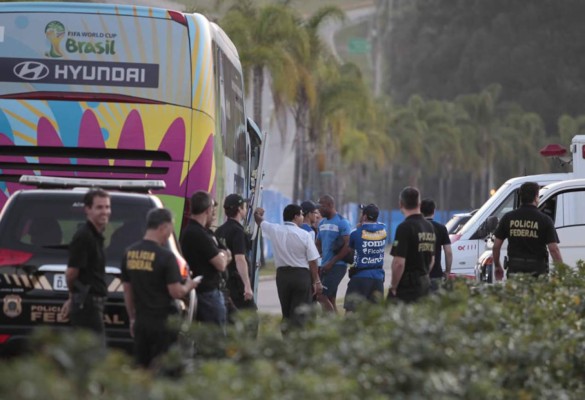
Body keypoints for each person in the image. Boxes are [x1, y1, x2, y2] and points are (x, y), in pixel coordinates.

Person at [121, 208, 199, 369]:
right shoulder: (166, 257)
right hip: (163, 323)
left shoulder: (129, 253)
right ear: (163, 227)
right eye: (170, 229)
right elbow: (176, 292)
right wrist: (190, 286)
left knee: (142, 366)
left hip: (141, 321)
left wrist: (132, 318)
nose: (169, 234)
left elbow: (127, 290)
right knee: (164, 367)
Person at [253, 204, 321, 333]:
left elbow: (259, 221)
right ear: (296, 217)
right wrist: (316, 280)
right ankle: (298, 339)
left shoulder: (275, 229)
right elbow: (313, 260)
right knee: (300, 311)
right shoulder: (304, 234)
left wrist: (258, 213)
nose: (302, 217)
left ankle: (286, 337)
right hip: (301, 275)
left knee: (286, 310)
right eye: (301, 215)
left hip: (283, 276)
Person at [62, 188, 111, 339]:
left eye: (107, 207)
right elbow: (71, 273)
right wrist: (74, 297)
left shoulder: (96, 236)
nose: (105, 211)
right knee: (95, 352)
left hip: (90, 304)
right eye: (99, 207)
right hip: (86, 305)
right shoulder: (84, 236)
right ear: (87, 209)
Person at [180, 191, 232, 328]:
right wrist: (223, 255)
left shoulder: (204, 233)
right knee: (215, 339)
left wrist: (224, 254)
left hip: (211, 293)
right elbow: (221, 264)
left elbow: (227, 253)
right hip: (207, 294)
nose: (214, 214)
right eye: (213, 210)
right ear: (208, 210)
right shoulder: (197, 234)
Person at [493, 181, 563, 279]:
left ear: (521, 197)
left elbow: (496, 246)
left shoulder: (508, 217)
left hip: (515, 271)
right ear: (536, 196)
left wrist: (497, 266)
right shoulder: (545, 220)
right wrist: (562, 272)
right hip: (537, 272)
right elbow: (553, 249)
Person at [215, 194, 258, 330]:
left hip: (224, 281)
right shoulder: (238, 232)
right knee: (251, 320)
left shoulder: (219, 231)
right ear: (240, 209)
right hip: (237, 284)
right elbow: (240, 259)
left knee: (231, 320)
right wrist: (247, 286)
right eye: (244, 206)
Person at [388, 187, 436, 303]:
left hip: (408, 288)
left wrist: (394, 286)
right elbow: (432, 260)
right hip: (425, 283)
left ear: (401, 204)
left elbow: (399, 263)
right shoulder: (429, 226)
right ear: (419, 203)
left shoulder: (404, 228)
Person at [344, 204, 387, 312]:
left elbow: (350, 249)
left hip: (360, 277)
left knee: (351, 312)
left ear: (364, 216)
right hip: (378, 278)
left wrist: (360, 227)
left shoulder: (355, 233)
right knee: (374, 316)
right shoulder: (383, 230)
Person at [316, 194, 351, 312]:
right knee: (330, 299)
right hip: (324, 265)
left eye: (322, 206)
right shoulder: (322, 223)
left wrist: (332, 262)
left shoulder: (342, 222)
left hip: (337, 266)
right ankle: (333, 326)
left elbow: (347, 245)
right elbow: (318, 243)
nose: (319, 209)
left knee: (321, 295)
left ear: (330, 205)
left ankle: (331, 324)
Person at [420, 199, 452, 292]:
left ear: (420, 211)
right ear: (434, 211)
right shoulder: (441, 228)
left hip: (419, 276)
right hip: (436, 275)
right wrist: (447, 271)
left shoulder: (416, 227)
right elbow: (448, 252)